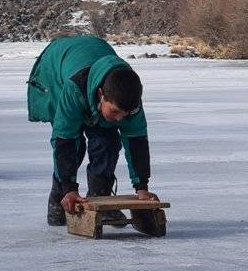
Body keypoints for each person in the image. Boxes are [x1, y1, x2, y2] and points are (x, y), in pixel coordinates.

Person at [27, 35, 155, 226]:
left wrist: (141, 187)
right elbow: (64, 140)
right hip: (56, 69)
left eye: (125, 114)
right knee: (75, 147)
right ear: (101, 94)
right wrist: (68, 189)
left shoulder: (130, 97)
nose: (120, 118)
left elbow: (136, 140)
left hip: (94, 56)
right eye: (115, 111)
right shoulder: (74, 89)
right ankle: (58, 198)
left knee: (108, 142)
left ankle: (99, 195)